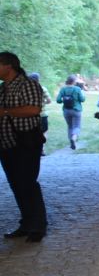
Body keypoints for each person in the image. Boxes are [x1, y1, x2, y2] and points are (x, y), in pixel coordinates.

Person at [0, 52, 48, 242]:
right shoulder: (3, 88)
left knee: (27, 183)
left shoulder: (28, 84)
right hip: (6, 143)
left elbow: (34, 109)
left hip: (26, 142)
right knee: (16, 184)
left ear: (8, 66)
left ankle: (38, 225)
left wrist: (5, 111)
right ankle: (26, 223)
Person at [56, 74, 87, 149]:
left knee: (70, 126)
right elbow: (82, 99)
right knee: (77, 126)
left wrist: (64, 99)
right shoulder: (77, 89)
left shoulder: (63, 89)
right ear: (74, 81)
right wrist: (83, 95)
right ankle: (74, 138)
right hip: (76, 110)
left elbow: (58, 100)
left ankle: (71, 142)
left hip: (66, 110)